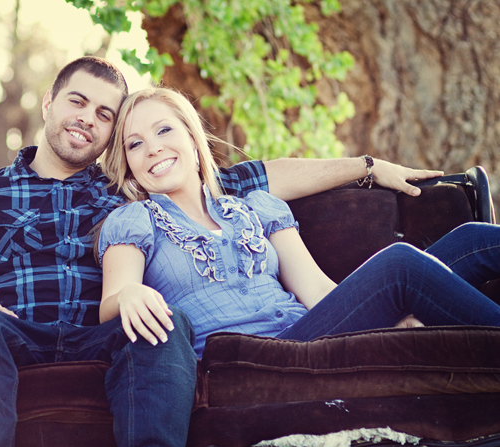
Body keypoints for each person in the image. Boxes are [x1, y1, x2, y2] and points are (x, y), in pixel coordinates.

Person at [0, 57, 443, 447]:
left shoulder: (131, 186)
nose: (88, 120)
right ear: (49, 104)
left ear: (111, 134)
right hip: (16, 335)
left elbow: (257, 176)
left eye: (105, 114)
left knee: (170, 326)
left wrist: (367, 166)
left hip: (114, 331)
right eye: (77, 102)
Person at [98, 87, 500, 357]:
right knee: (400, 266)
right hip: (249, 358)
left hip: (307, 333)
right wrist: (127, 296)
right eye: (135, 144)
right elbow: (111, 305)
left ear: (190, 136)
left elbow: (317, 291)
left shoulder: (253, 207)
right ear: (129, 164)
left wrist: (385, 321)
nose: (153, 148)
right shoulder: (134, 221)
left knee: (473, 240)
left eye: (163, 130)